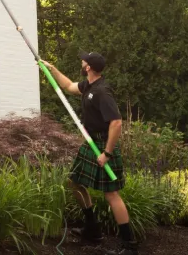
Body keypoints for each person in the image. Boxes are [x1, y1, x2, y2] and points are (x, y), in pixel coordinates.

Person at [43, 52, 138, 255]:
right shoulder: (88, 86)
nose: (81, 61)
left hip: (103, 144)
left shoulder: (102, 91)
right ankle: (93, 230)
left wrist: (107, 153)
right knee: (75, 182)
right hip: (91, 142)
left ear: (88, 67)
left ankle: (129, 245)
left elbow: (117, 122)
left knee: (111, 194)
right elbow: (68, 86)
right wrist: (52, 68)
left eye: (84, 60)